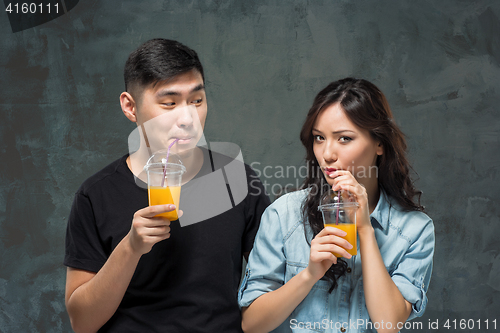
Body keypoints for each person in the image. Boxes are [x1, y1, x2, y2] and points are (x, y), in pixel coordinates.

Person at [64, 38, 270, 333]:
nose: (187, 118)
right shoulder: (95, 195)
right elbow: (82, 323)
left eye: (196, 101)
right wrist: (131, 247)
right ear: (130, 107)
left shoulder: (237, 180)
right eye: (169, 103)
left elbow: (273, 285)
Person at [238, 78, 435, 333]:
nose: (327, 153)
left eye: (344, 139)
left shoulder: (414, 230)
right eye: (319, 138)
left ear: (379, 143)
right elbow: (251, 324)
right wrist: (309, 275)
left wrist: (365, 229)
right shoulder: (283, 215)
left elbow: (390, 325)